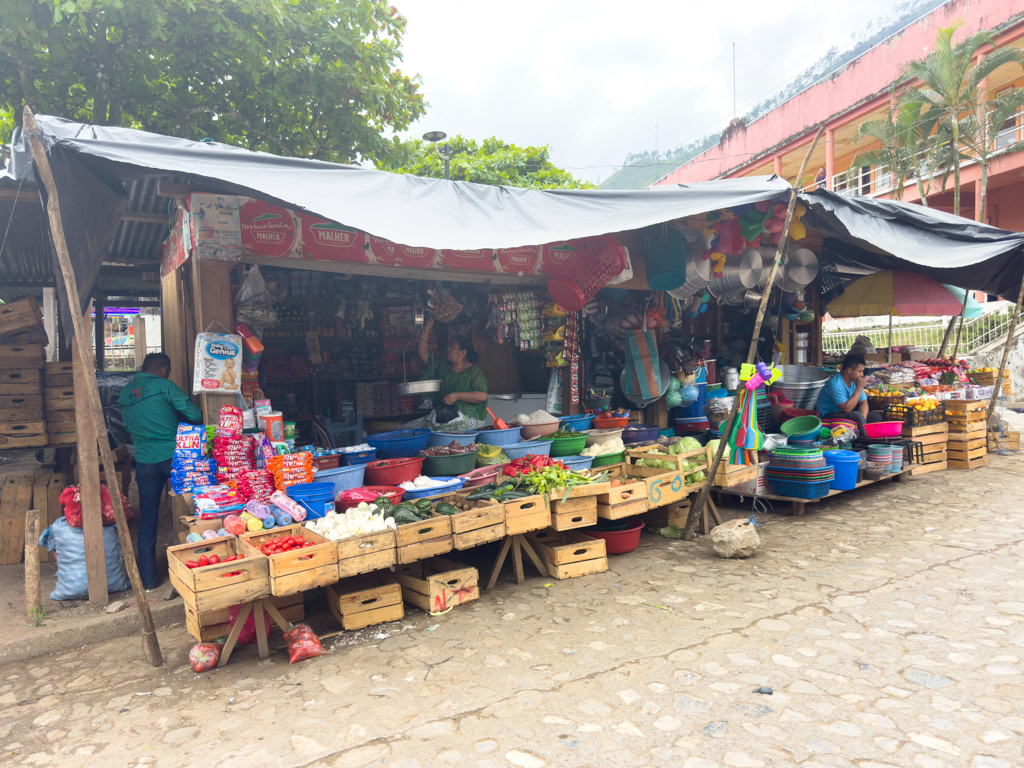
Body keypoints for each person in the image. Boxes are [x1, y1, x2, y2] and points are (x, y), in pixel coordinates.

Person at [119, 353, 202, 589]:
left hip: (145, 461)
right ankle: (199, 566)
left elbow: (126, 425)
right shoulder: (165, 386)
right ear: (164, 369)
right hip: (177, 458)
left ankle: (148, 579)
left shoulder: (126, 392)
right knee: (198, 508)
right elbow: (195, 415)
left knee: (148, 517)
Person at [414, 318, 489, 432]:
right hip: (443, 416)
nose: (448, 349)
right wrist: (426, 330)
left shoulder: (474, 372)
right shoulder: (443, 364)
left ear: (462, 353)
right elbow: (424, 354)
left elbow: (482, 396)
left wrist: (457, 396)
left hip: (467, 422)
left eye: (452, 347)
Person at [816, 354, 869, 437]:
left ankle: (864, 433)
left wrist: (863, 420)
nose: (862, 375)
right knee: (857, 416)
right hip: (828, 416)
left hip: (842, 413)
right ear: (849, 370)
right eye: (860, 371)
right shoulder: (835, 384)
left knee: (876, 417)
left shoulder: (855, 381)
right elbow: (846, 409)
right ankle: (866, 440)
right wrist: (858, 388)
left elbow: (863, 402)